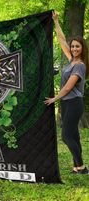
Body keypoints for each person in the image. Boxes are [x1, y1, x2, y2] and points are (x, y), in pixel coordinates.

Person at [44, 11, 89, 174]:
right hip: (67, 102)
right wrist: (56, 21)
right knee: (74, 136)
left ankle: (81, 167)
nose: (74, 48)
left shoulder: (80, 65)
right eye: (73, 46)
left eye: (78, 46)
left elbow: (69, 87)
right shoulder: (72, 60)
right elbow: (62, 40)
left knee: (66, 136)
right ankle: (79, 166)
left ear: (82, 48)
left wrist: (54, 98)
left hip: (74, 103)